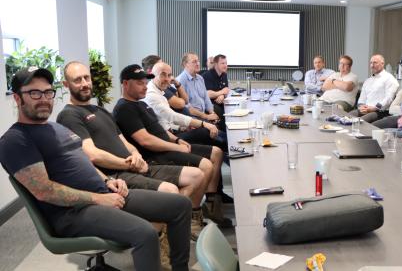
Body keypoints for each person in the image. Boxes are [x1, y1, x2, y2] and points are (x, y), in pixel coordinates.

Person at [0, 67, 191, 271]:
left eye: (48, 92)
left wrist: (108, 182)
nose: (44, 99)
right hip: (73, 213)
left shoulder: (56, 128)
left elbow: (84, 161)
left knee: (180, 205)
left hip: (103, 193)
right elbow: (44, 190)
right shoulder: (15, 140)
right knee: (145, 233)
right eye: (34, 93)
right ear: (17, 98)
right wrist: (99, 198)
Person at [57, 61, 208, 240]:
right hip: (116, 175)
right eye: (77, 80)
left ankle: (164, 230)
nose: (84, 83)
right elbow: (92, 155)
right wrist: (128, 164)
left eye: (86, 78)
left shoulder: (100, 110)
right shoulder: (69, 115)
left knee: (196, 176)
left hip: (135, 165)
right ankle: (160, 238)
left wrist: (136, 155)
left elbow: (124, 142)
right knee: (171, 192)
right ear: (66, 85)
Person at [113, 64, 232, 228]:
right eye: (139, 83)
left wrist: (176, 140)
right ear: (126, 84)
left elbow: (158, 128)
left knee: (216, 153)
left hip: (168, 146)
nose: (145, 86)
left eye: (145, 82)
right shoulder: (124, 108)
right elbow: (146, 141)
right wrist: (176, 147)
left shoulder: (140, 103)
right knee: (205, 166)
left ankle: (202, 208)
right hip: (156, 155)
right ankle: (186, 218)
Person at [145, 61, 224, 149]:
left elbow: (166, 119)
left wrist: (182, 127)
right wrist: (203, 123)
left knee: (216, 127)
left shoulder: (160, 89)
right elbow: (174, 113)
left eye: (169, 75)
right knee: (206, 131)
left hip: (175, 128)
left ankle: (228, 148)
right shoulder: (152, 94)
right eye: (162, 74)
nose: (167, 79)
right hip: (167, 138)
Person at [350, 54, 400, 123]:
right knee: (346, 117)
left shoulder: (390, 79)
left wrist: (374, 108)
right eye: (371, 63)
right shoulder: (368, 80)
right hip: (365, 109)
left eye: (375, 63)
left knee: (359, 122)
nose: (372, 65)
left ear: (382, 64)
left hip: (380, 112)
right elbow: (362, 98)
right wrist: (362, 107)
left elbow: (388, 99)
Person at [175, 52, 220, 125]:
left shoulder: (200, 78)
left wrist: (212, 113)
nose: (198, 63)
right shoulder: (180, 81)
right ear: (185, 64)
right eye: (194, 62)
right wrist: (207, 117)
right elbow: (186, 107)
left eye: (198, 61)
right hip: (193, 119)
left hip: (203, 116)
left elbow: (206, 98)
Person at [201, 54, 229, 122]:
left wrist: (222, 95)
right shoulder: (207, 75)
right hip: (209, 104)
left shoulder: (224, 74)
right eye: (222, 63)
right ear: (216, 64)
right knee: (223, 115)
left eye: (226, 63)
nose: (225, 65)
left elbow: (226, 90)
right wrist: (222, 92)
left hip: (220, 102)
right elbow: (208, 94)